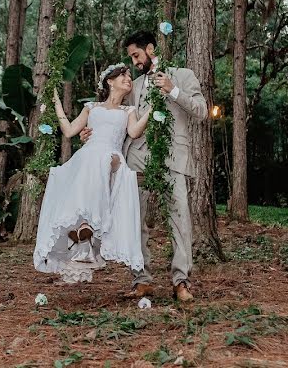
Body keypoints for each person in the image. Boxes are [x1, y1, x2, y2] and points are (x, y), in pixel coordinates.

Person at [84, 31, 207, 301]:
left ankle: (181, 281)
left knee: (180, 219)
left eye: (136, 55)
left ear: (151, 48)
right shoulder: (134, 86)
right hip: (137, 159)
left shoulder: (183, 75)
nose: (134, 62)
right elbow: (116, 117)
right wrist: (90, 133)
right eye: (131, 58)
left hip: (173, 159)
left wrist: (173, 90)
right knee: (135, 221)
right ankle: (141, 279)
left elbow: (201, 110)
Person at [33, 64, 150, 283]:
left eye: (129, 76)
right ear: (110, 81)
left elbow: (134, 132)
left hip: (112, 156)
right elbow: (68, 131)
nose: (128, 79)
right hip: (90, 154)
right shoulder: (91, 107)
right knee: (82, 161)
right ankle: (83, 231)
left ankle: (88, 225)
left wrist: (152, 110)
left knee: (101, 158)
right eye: (123, 76)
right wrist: (56, 101)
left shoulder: (128, 111)